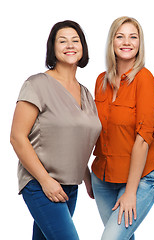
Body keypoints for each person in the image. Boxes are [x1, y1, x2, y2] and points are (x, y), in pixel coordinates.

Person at [10, 20, 101, 239]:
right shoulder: (37, 85)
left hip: (71, 185)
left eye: (75, 40)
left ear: (83, 47)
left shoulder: (86, 93)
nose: (69, 45)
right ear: (53, 48)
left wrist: (86, 176)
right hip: (39, 183)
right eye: (62, 41)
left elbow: (75, 140)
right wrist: (45, 181)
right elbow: (17, 137)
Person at [91, 16, 154, 240]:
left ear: (140, 43)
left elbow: (143, 138)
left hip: (141, 178)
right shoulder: (101, 81)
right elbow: (94, 130)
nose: (126, 42)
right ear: (111, 42)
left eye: (133, 37)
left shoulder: (144, 79)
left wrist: (131, 192)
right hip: (103, 178)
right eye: (120, 36)